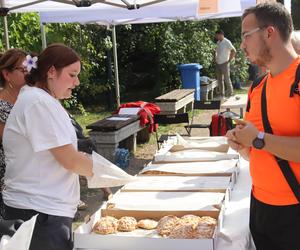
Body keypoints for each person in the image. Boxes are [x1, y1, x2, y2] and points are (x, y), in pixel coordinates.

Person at [2, 43, 93, 250]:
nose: (76, 82)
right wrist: (105, 172)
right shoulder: (37, 102)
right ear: (51, 71)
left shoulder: (40, 99)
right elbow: (69, 160)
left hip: (42, 210)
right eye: (72, 74)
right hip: (39, 213)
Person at [226, 3, 300, 250]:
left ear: (270, 32)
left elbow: (262, 139)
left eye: (246, 36)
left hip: (294, 210)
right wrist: (243, 146)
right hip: (260, 208)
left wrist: (258, 138)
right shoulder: (257, 87)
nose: (242, 45)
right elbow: (257, 150)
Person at [0, 49, 27, 217]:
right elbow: (10, 142)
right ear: (7, 74)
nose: (29, 73)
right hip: (10, 174)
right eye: (23, 70)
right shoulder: (1, 105)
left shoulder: (30, 97)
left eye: (30, 68)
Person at [215, 29, 236, 98]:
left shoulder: (227, 42)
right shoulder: (218, 42)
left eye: (217, 35)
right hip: (218, 63)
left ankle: (231, 93)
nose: (216, 37)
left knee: (227, 79)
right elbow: (217, 52)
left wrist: (229, 60)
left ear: (221, 35)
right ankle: (222, 94)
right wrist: (215, 58)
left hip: (225, 63)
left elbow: (233, 51)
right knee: (219, 80)